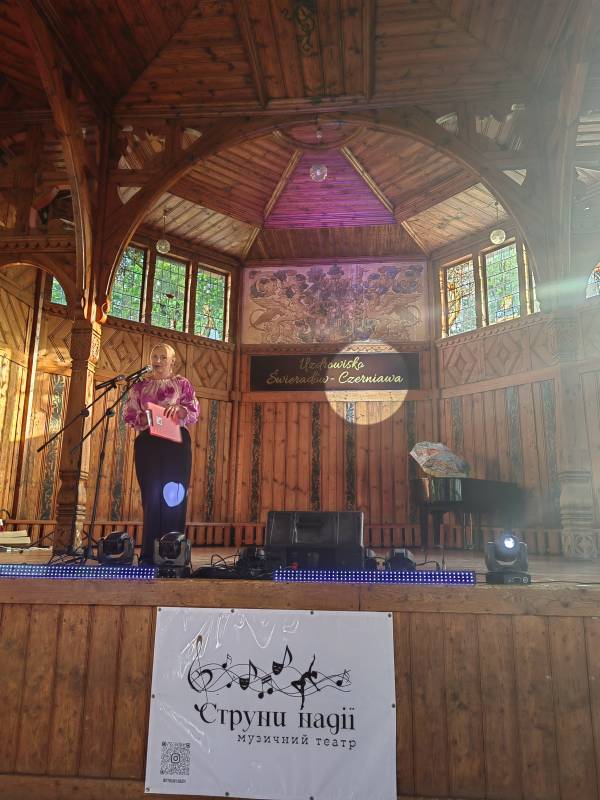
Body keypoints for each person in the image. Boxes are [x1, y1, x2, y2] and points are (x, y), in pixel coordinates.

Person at [123, 343, 199, 564]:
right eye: (154, 356)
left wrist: (180, 410)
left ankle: (172, 553)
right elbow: (129, 414)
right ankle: (149, 554)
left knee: (174, 496)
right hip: (149, 442)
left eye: (163, 357)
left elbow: (193, 411)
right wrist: (143, 417)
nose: (158, 361)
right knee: (152, 495)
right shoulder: (140, 386)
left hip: (176, 442)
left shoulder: (182, 384)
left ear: (172, 361)